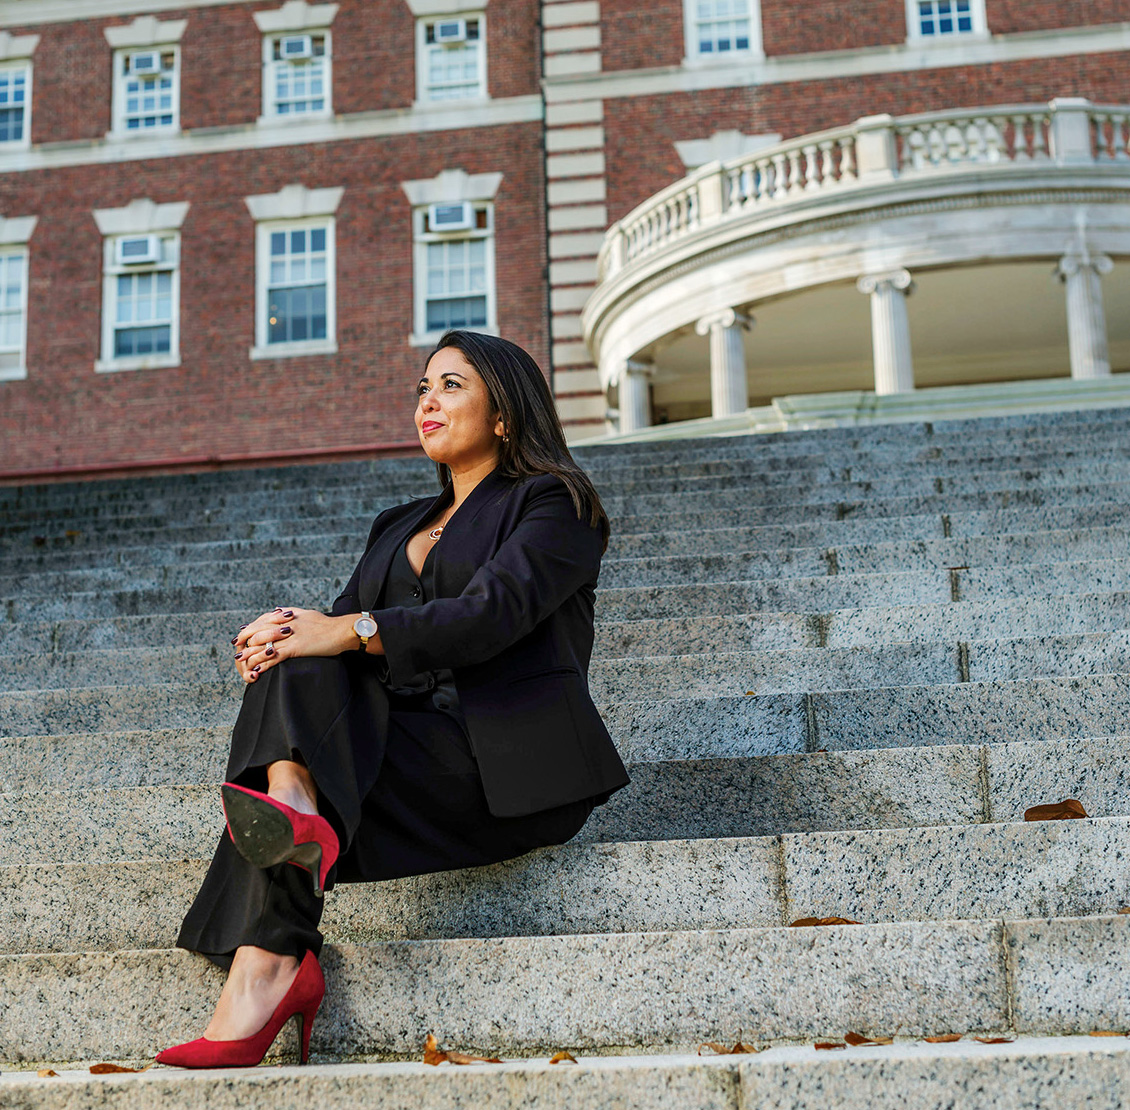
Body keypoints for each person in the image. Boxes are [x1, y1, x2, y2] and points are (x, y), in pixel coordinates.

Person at [155, 330, 632, 1068]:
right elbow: (337, 632)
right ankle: (292, 822)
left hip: (497, 765)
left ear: (505, 414)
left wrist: (338, 629)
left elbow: (489, 616)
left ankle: (276, 936)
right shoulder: (396, 524)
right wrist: (280, 632)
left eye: (451, 386)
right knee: (298, 655)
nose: (427, 403)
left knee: (326, 643)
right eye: (422, 389)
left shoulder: (555, 506)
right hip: (395, 748)